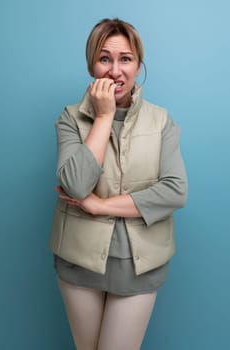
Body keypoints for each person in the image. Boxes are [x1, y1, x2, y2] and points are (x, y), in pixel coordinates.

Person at [49, 18, 188, 350]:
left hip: (139, 265)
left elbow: (174, 190)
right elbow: (76, 185)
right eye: (104, 58)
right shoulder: (70, 117)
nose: (115, 71)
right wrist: (103, 116)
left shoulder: (161, 120)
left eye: (125, 58)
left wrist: (100, 206)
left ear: (139, 64)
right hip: (78, 261)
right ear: (91, 64)